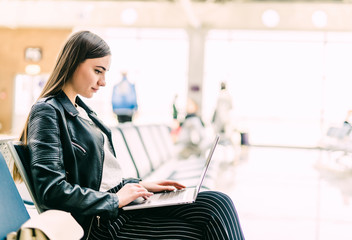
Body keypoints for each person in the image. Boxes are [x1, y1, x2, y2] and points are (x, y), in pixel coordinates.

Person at [15, 31, 245, 239]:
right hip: (99, 223)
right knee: (199, 231)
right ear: (73, 63)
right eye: (97, 71)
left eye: (104, 73)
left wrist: (141, 185)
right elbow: (51, 191)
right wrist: (116, 200)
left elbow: (101, 180)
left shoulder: (85, 113)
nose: (103, 82)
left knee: (218, 202)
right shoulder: (48, 111)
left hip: (117, 209)